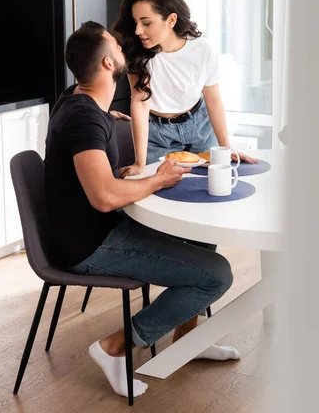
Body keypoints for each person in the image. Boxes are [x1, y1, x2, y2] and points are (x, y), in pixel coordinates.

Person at [44, 21, 238, 400]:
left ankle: (189, 341)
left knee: (201, 241)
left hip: (95, 229)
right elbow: (102, 197)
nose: (124, 46)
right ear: (106, 64)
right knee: (216, 276)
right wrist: (157, 180)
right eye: (116, 45)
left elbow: (83, 142)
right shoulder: (84, 118)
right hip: (90, 244)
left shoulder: (78, 103)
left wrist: (106, 121)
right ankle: (115, 346)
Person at [113, 0, 257, 178]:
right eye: (136, 22)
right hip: (157, 135)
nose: (138, 31)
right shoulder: (137, 54)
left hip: (200, 126)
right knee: (162, 192)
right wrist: (139, 162)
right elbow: (140, 103)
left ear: (171, 20)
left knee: (210, 186)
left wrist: (226, 148)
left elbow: (212, 98)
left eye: (146, 23)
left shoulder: (203, 50)